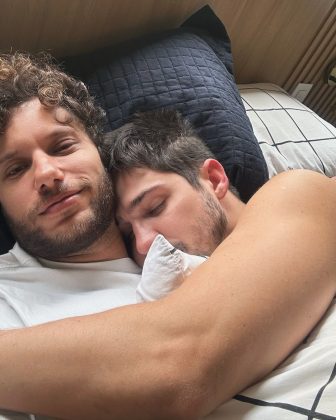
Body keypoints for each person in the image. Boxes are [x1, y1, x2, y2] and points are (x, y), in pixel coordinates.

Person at [0, 52, 335, 420]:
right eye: (15, 169)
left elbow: (180, 366)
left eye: (62, 146)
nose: (47, 173)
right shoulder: (8, 298)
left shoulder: (290, 201)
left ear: (97, 152)